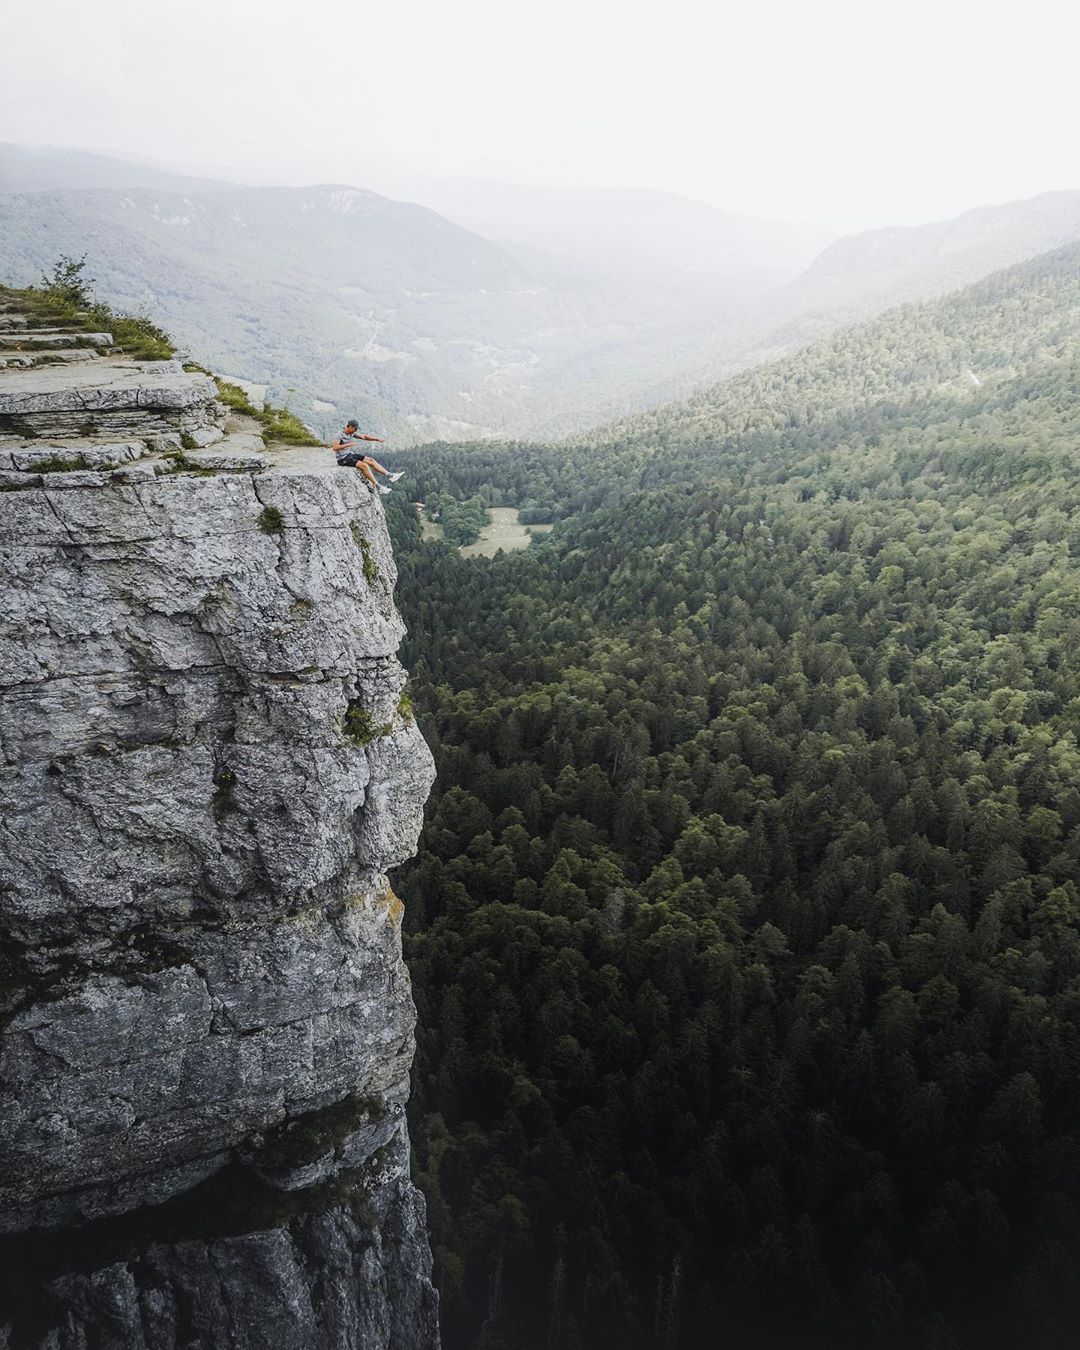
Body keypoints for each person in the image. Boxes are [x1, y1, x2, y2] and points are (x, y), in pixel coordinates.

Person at [331, 420, 404, 495]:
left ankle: (391, 476)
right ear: (350, 426)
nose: (356, 430)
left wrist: (377, 439)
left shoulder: (351, 433)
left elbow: (364, 437)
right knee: (364, 466)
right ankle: (379, 487)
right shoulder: (339, 434)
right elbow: (335, 447)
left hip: (349, 454)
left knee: (371, 460)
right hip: (342, 459)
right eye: (355, 429)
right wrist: (348, 445)